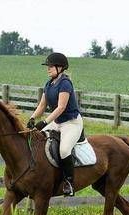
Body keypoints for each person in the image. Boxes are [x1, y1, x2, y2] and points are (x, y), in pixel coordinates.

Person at [27, 52, 83, 197]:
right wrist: (32, 118)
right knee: (36, 138)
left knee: (64, 150)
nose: (48, 69)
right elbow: (42, 106)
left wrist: (45, 122)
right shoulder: (48, 84)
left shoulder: (65, 83)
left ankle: (69, 183)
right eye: (48, 66)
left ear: (60, 67)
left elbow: (61, 107)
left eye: (51, 66)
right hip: (58, 122)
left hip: (71, 123)